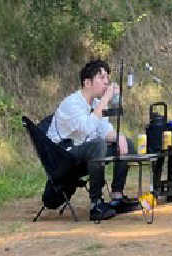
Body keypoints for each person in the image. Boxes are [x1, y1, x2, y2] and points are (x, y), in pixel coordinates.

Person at [48, 58, 139, 221]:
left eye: (107, 78)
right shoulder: (72, 104)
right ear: (87, 83)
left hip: (86, 153)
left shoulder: (96, 103)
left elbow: (104, 130)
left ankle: (117, 197)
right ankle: (95, 204)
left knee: (127, 144)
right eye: (102, 77)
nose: (107, 82)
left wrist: (118, 137)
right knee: (98, 145)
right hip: (63, 156)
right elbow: (87, 129)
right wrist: (105, 100)